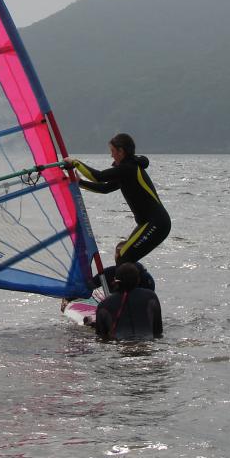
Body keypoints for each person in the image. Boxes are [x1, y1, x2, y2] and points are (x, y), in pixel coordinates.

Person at [69, 133, 171, 264]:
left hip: (157, 223)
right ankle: (131, 281)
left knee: (124, 256)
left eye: (112, 151)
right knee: (122, 254)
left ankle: (133, 281)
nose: (111, 155)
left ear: (121, 151)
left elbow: (98, 176)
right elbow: (104, 189)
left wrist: (74, 163)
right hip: (148, 224)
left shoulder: (128, 168)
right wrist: (80, 183)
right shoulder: (127, 171)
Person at [89, 263, 162, 340]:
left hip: (121, 346)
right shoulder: (151, 297)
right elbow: (158, 332)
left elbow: (102, 337)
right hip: (146, 343)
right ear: (138, 280)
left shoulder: (103, 305)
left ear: (116, 282)